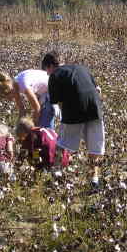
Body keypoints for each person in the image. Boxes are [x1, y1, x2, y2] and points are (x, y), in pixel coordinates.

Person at [41, 51, 105, 188]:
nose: (47, 74)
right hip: (95, 109)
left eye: (46, 70)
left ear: (50, 66)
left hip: (74, 111)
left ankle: (56, 175)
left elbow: (57, 103)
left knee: (62, 143)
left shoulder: (54, 76)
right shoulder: (81, 68)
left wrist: (65, 120)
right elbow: (98, 90)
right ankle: (94, 180)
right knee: (95, 148)